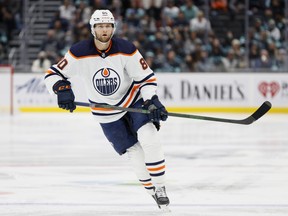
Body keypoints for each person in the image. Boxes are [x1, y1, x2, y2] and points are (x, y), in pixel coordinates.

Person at [44, 9, 170, 210]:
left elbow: (146, 78)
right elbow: (53, 74)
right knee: (134, 151)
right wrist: (61, 89)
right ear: (92, 28)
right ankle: (152, 191)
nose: (105, 30)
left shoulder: (126, 49)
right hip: (105, 112)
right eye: (100, 26)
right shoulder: (78, 52)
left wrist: (151, 100)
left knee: (149, 135)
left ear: (113, 27)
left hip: (132, 101)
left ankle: (161, 186)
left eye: (108, 25)